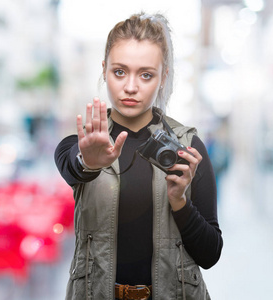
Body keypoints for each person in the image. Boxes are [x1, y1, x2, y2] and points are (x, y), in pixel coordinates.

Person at [54, 12, 223, 300]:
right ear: (104, 69)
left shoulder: (187, 146)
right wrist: (88, 163)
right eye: (119, 71)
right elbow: (73, 165)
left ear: (163, 77)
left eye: (146, 74)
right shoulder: (82, 143)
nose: (130, 86)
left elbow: (209, 255)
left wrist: (180, 202)